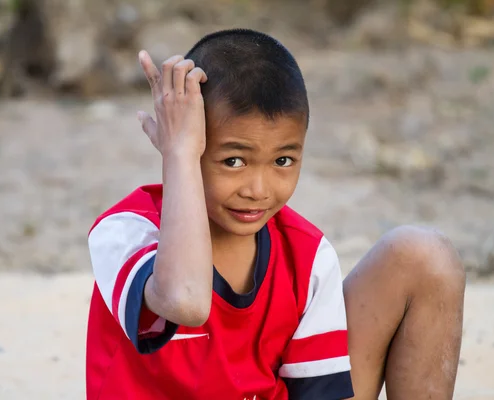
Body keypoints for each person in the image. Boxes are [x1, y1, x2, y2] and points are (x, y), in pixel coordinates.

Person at [85, 28, 466, 400]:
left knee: (425, 253)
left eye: (283, 160)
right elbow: (185, 300)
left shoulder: (307, 256)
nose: (258, 189)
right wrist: (178, 152)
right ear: (191, 143)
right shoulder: (126, 230)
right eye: (233, 160)